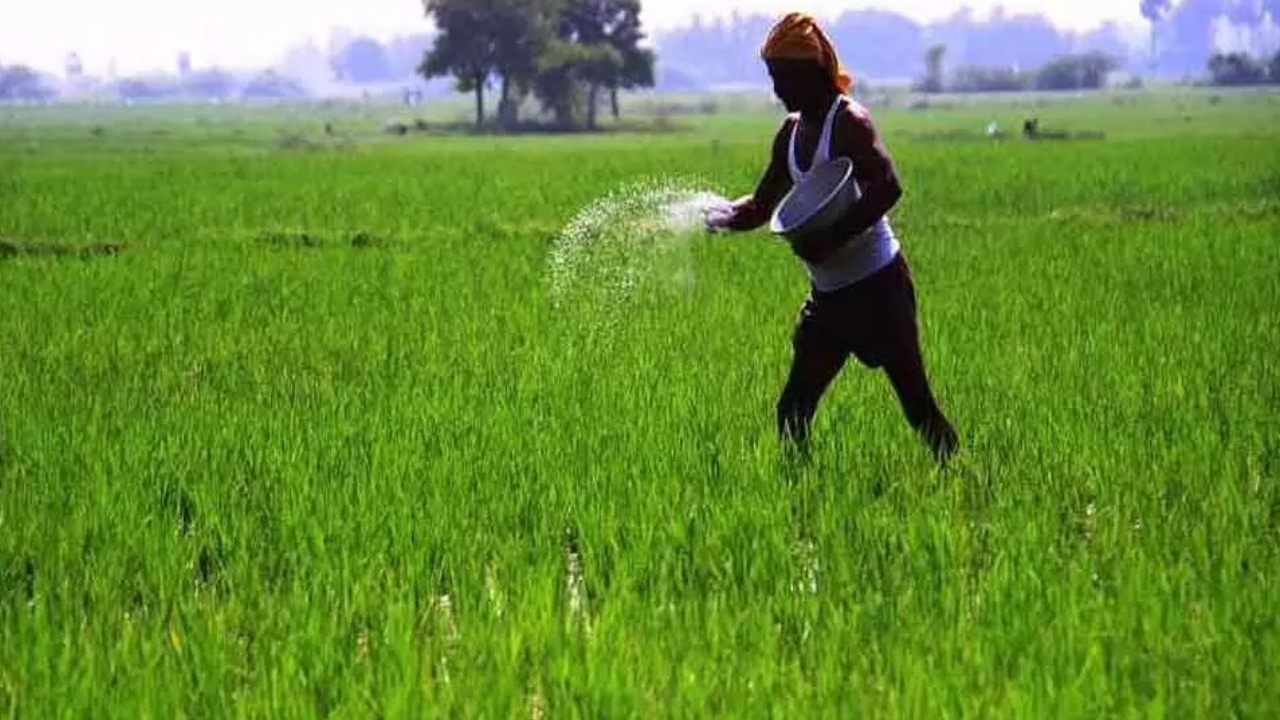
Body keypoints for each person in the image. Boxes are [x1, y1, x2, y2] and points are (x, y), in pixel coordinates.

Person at [705, 12, 959, 466]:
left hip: (879, 288)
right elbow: (762, 206)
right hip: (829, 299)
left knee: (918, 410)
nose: (776, 89)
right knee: (792, 412)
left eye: (782, 77)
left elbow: (887, 185)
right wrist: (721, 216)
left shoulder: (850, 123)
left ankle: (965, 482)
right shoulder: (790, 132)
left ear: (809, 72)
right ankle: (804, 504)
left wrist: (831, 240)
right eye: (772, 77)